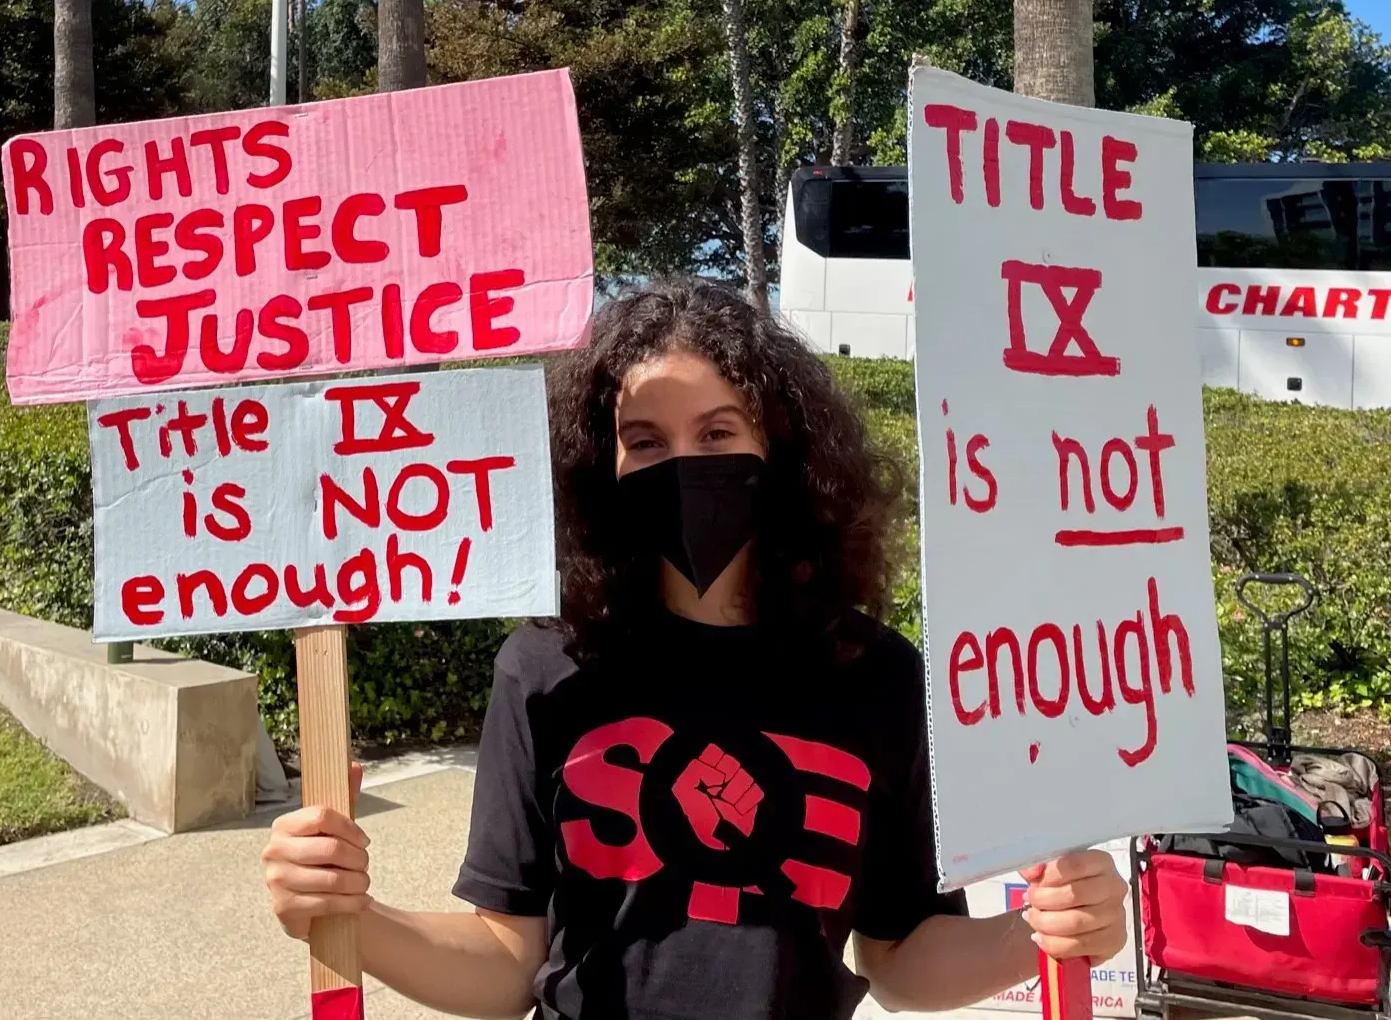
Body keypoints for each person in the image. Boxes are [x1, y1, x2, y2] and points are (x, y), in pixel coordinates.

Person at [262, 280, 1129, 1019]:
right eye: (645, 441)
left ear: (781, 450)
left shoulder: (873, 673)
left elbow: (900, 954)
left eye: (718, 433)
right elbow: (505, 956)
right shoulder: (547, 665)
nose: (684, 463)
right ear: (596, 467)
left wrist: (1040, 934)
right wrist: (351, 916)